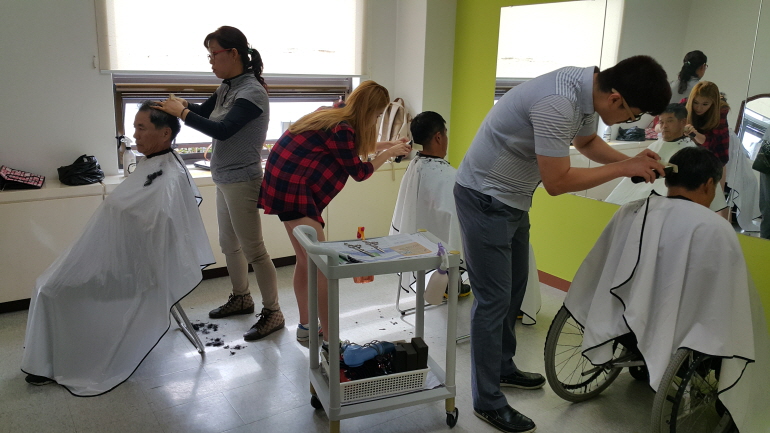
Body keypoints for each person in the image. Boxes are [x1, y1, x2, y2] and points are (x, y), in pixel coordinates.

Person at [454, 55, 671, 433]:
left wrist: (630, 161)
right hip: (485, 196)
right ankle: (487, 401)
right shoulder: (559, 101)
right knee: (493, 301)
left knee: (514, 288)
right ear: (616, 99)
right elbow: (557, 182)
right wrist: (624, 167)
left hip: (513, 198)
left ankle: (502, 367)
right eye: (633, 115)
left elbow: (586, 143)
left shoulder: (587, 92)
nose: (629, 122)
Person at [566, 146, 770, 432]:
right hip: (684, 329)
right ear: (708, 184)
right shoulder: (715, 227)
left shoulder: (633, 210)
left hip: (625, 316)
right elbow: (726, 295)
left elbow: (605, 264)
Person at [21, 102, 215, 395]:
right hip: (116, 258)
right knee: (45, 286)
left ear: (165, 133)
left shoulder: (169, 176)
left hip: (137, 270)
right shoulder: (152, 165)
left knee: (52, 291)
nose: (135, 135)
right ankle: (53, 356)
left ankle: (54, 362)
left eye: (141, 128)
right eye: (134, 127)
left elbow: (157, 229)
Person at [153, 26, 283, 341]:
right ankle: (241, 297)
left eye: (214, 54)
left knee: (255, 250)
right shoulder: (227, 87)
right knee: (229, 245)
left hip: (243, 180)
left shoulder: (251, 91)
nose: (210, 61)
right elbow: (203, 113)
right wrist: (181, 106)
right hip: (224, 178)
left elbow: (222, 130)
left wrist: (182, 112)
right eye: (208, 55)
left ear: (233, 53)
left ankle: (274, 312)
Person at [259, 81, 410, 344]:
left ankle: (307, 327)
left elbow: (352, 150)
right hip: (293, 191)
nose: (376, 120)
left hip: (282, 186)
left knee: (306, 261)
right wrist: (389, 153)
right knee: (323, 267)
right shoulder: (342, 129)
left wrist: (387, 145)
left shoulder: (334, 113)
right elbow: (360, 172)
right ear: (367, 111)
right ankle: (331, 341)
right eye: (376, 115)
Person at [606, 103, 728, 212]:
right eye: (661, 122)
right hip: (635, 201)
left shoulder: (692, 154)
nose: (664, 126)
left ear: (683, 122)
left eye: (670, 121)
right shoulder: (653, 147)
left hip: (663, 208)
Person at [683, 81, 730, 166]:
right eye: (695, 102)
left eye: (705, 104)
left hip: (714, 151)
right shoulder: (684, 104)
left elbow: (712, 143)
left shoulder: (721, 111)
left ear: (713, 103)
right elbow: (662, 122)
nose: (698, 108)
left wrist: (693, 134)